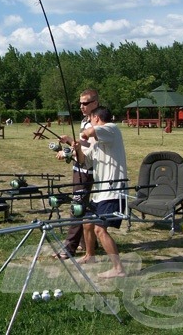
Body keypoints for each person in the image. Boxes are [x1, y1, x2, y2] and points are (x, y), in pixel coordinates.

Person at [62, 107, 127, 278]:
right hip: (100, 193)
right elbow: (85, 161)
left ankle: (118, 268)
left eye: (90, 119)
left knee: (99, 229)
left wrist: (82, 136)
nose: (88, 123)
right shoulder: (98, 143)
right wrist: (76, 147)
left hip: (113, 191)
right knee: (87, 223)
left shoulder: (111, 129)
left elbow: (90, 131)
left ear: (96, 118)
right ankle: (90, 256)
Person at [55, 89, 98, 259]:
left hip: (86, 171)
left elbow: (88, 153)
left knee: (77, 208)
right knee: (83, 207)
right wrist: (69, 147)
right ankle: (87, 243)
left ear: (95, 103)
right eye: (80, 103)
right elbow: (81, 148)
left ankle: (69, 248)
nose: (81, 106)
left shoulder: (96, 124)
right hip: (78, 169)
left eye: (85, 103)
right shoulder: (85, 121)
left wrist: (69, 148)